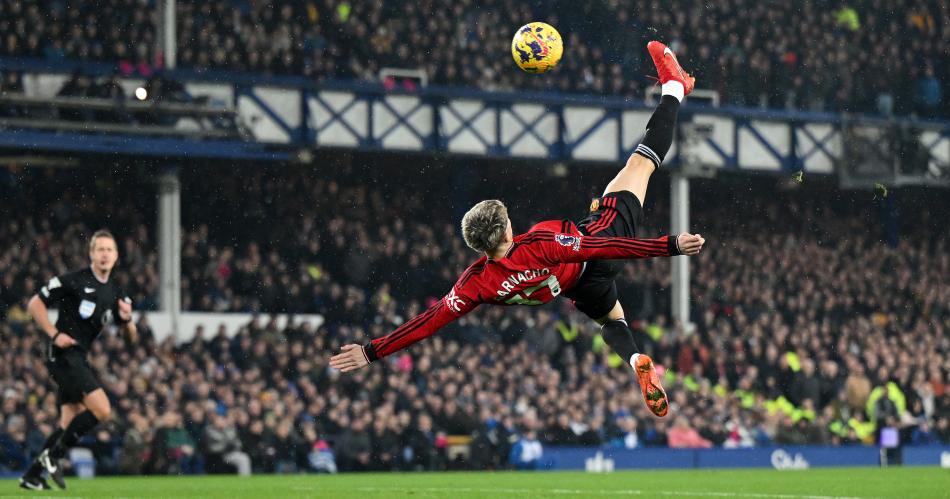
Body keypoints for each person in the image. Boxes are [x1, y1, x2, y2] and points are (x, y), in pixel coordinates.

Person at [331, 41, 700, 418]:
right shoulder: (539, 241)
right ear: (507, 229)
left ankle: (635, 356)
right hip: (597, 249)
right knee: (642, 163)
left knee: (612, 319)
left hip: (576, 287)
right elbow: (599, 249)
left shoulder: (476, 283)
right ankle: (674, 87)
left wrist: (371, 351)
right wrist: (670, 245)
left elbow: (427, 322)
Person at [20, 230, 137, 490]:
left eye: (109, 250)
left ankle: (32, 476)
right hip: (61, 354)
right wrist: (54, 333)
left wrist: (128, 321)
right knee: (102, 410)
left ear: (116, 256)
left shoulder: (116, 292)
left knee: (67, 423)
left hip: (78, 357)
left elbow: (130, 339)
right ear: (91, 254)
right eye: (100, 249)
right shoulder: (74, 280)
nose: (105, 254)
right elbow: (34, 304)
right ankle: (54, 457)